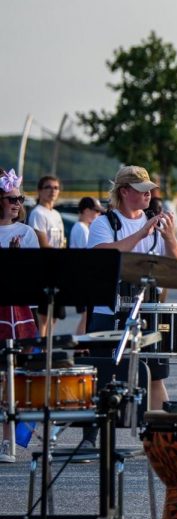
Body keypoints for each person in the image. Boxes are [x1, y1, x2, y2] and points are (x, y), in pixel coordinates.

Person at [87, 166, 177, 415]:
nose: (148, 195)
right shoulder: (105, 222)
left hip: (148, 309)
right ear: (124, 191)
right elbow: (101, 255)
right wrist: (142, 232)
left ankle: (160, 440)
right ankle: (92, 438)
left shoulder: (157, 220)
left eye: (150, 190)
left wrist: (171, 237)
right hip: (109, 309)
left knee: (154, 375)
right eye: (142, 190)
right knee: (103, 373)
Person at [0, 168, 39, 463]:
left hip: (18, 311)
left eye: (19, 198)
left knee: (17, 376)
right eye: (10, 198)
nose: (16, 203)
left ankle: (9, 441)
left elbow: (33, 277)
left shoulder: (26, 233)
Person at [28, 175, 67, 335]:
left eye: (56, 187)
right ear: (39, 191)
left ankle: (48, 349)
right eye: (48, 187)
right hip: (44, 269)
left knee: (55, 314)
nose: (52, 191)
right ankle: (41, 352)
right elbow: (43, 244)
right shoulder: (38, 213)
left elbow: (62, 242)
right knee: (43, 315)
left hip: (57, 268)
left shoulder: (56, 214)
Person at [69, 196, 104, 335]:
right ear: (86, 210)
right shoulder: (81, 228)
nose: (98, 214)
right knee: (86, 316)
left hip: (83, 277)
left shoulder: (82, 228)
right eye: (95, 211)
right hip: (82, 277)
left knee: (86, 315)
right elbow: (89, 255)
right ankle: (80, 347)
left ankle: (82, 346)